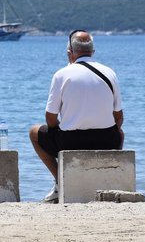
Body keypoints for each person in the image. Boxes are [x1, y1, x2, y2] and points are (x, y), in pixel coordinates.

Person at [29, 30, 124, 203]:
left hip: (71, 141)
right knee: (120, 133)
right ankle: (110, 175)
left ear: (69, 53)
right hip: (106, 141)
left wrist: (62, 127)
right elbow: (118, 116)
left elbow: (50, 118)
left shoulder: (61, 74)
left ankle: (60, 181)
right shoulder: (110, 73)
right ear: (93, 51)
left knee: (34, 132)